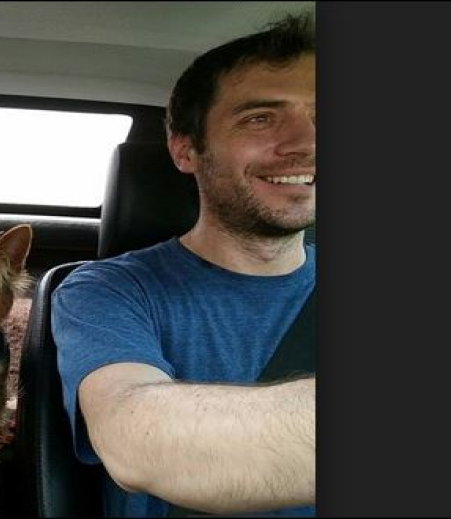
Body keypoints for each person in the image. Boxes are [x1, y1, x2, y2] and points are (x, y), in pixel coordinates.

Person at [52, 12, 316, 517]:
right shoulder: (108, 290)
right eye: (260, 118)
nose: (306, 142)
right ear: (186, 150)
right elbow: (135, 437)